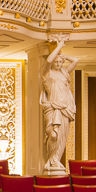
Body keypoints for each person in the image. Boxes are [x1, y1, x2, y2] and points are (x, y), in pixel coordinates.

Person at [40, 38, 76, 174]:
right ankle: (51, 160)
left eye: (61, 62)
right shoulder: (47, 75)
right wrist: (59, 46)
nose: (59, 63)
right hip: (52, 108)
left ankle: (56, 160)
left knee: (62, 137)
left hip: (65, 109)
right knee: (54, 135)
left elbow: (76, 60)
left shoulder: (64, 74)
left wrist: (63, 55)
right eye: (57, 61)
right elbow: (48, 61)